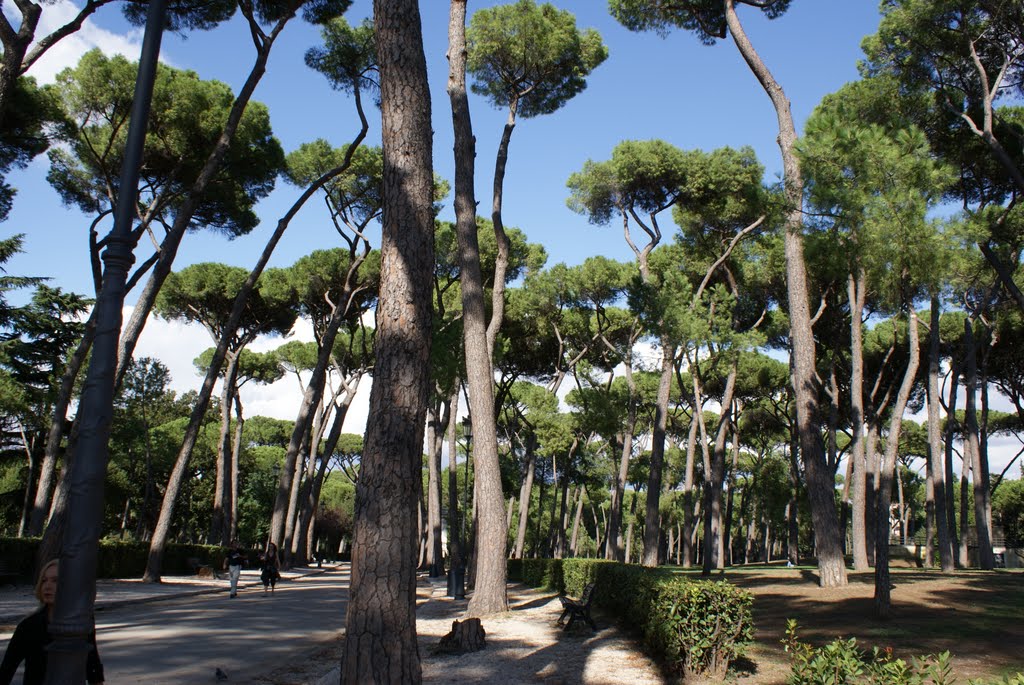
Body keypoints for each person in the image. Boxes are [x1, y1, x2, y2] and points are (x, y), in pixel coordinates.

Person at [0, 559, 105, 685]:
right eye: (44, 580)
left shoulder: (82, 619)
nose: (47, 586)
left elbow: (92, 661)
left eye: (55, 580)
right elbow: (7, 669)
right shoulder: (29, 626)